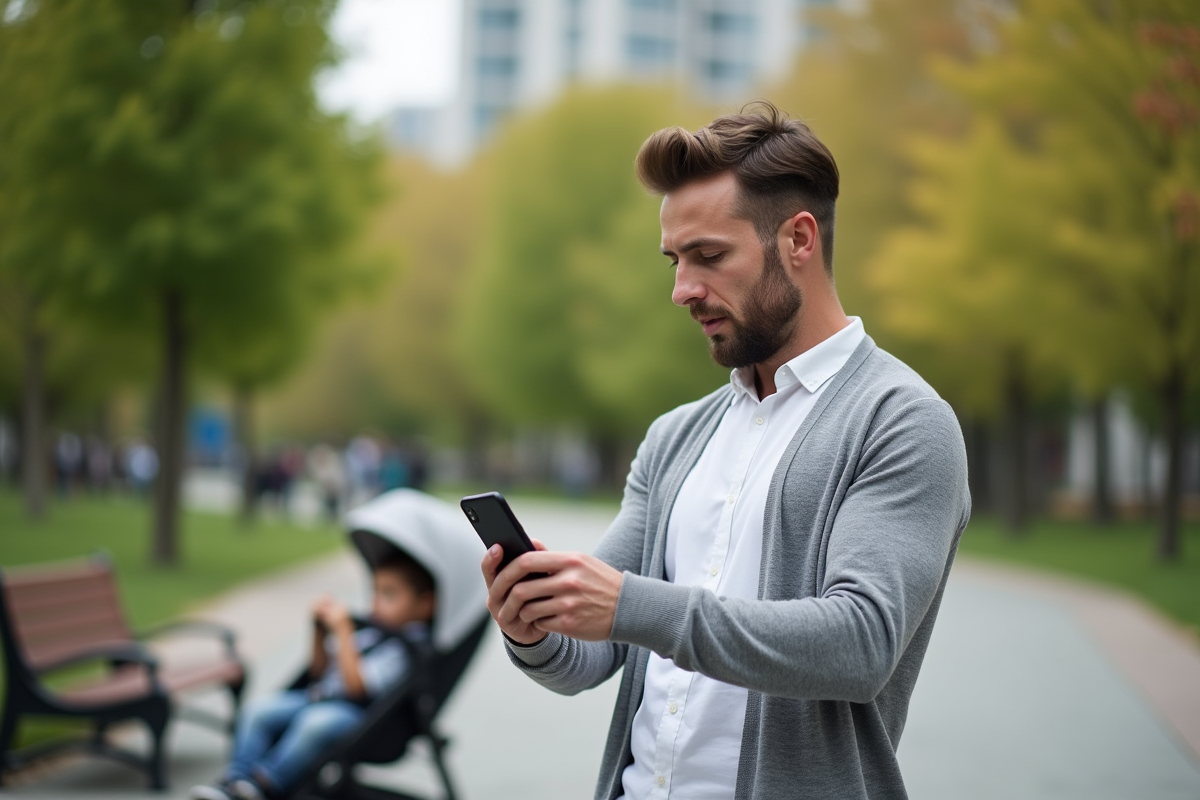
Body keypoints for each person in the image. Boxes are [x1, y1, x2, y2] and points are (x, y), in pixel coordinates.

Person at [481, 102, 971, 800]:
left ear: (799, 240)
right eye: (675, 260)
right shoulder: (676, 437)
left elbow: (861, 644)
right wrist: (533, 623)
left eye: (709, 256)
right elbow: (588, 658)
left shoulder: (901, 421)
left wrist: (631, 606)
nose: (682, 290)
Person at [191, 549, 436, 800]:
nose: (376, 602)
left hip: (358, 714)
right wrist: (319, 631)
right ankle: (236, 781)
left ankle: (264, 784)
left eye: (389, 595)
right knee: (258, 710)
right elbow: (319, 672)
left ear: (424, 604)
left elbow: (357, 689)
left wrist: (343, 633)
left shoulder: (408, 646)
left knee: (314, 724)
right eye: (375, 592)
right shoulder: (372, 631)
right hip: (318, 696)